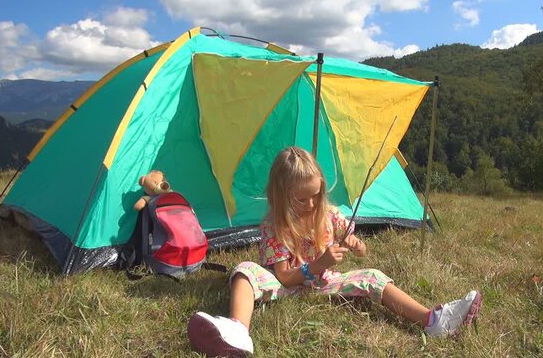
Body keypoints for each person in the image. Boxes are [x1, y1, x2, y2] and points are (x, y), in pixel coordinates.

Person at [187, 146, 482, 356]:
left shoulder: (331, 216)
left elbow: (362, 251)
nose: (312, 204)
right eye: (301, 199)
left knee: (373, 276)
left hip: (325, 283)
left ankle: (432, 320)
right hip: (288, 284)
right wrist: (317, 264)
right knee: (244, 271)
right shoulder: (273, 228)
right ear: (280, 196)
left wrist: (357, 245)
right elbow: (285, 278)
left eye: (316, 195)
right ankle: (238, 332)